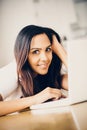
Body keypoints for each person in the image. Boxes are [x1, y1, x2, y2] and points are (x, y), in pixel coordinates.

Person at [0, 25, 68, 116]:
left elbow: (82, 83)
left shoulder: (50, 73)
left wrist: (59, 48)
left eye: (48, 49)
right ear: (24, 54)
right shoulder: (14, 71)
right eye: (36, 51)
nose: (45, 58)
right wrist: (36, 99)